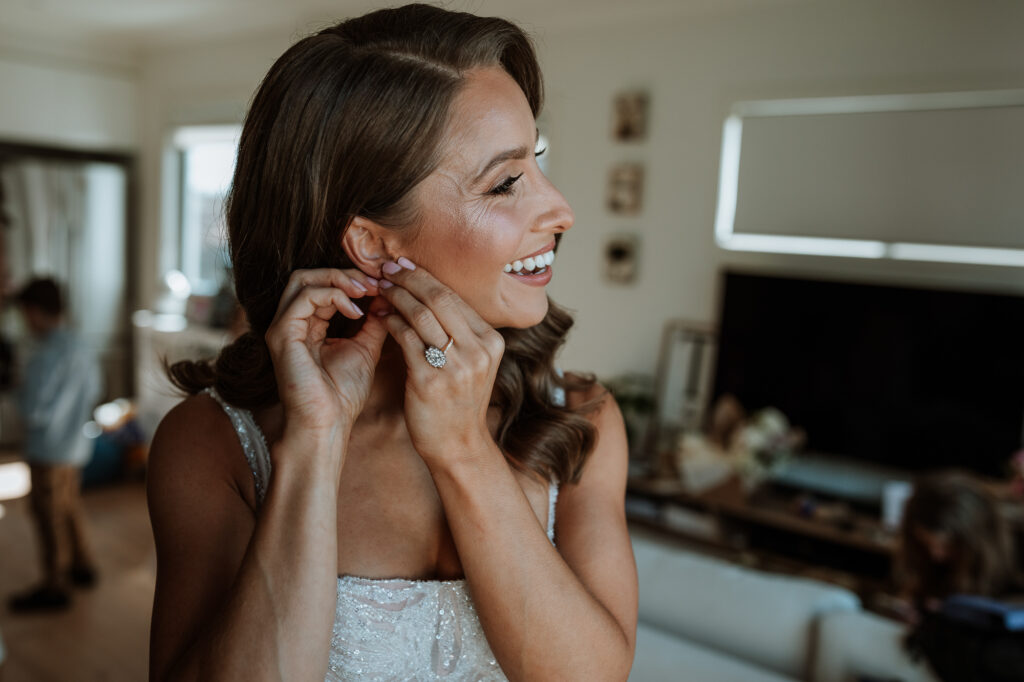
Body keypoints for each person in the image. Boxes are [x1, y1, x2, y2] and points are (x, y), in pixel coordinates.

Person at [146, 5, 638, 681]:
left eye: (538, 162)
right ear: (374, 244)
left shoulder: (580, 422)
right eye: (506, 182)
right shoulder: (214, 445)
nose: (561, 211)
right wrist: (315, 444)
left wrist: (463, 449)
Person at [8, 277, 102, 612]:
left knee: (48, 515)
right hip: (75, 445)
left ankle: (54, 585)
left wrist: (17, 387)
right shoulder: (80, 344)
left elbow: (34, 411)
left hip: (48, 449)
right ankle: (83, 565)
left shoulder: (45, 355)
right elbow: (94, 389)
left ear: (34, 312)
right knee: (69, 506)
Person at [898, 471, 1024, 682]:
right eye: (927, 545)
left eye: (946, 546)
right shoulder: (936, 562)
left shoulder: (1016, 542)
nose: (936, 555)